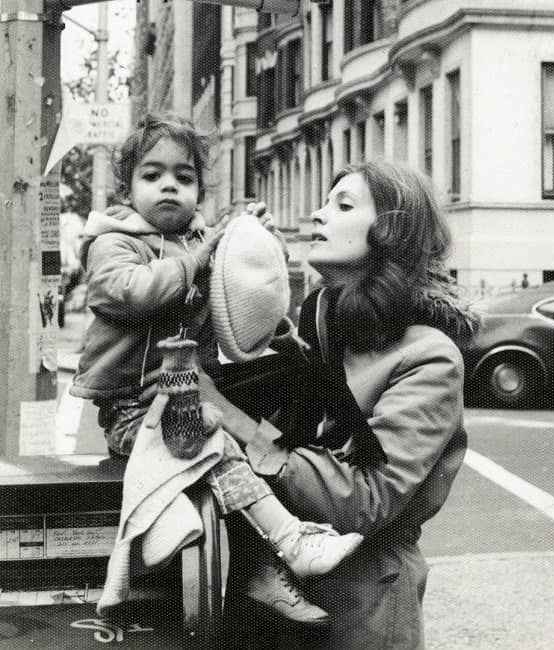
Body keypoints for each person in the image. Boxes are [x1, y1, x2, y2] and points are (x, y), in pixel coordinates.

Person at [69, 114, 362, 626]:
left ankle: (260, 563)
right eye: (152, 175)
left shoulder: (202, 240)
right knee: (217, 444)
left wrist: (257, 246)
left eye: (183, 177)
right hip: (135, 406)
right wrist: (199, 259)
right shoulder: (113, 241)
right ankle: (289, 542)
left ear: (199, 192)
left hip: (193, 391)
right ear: (126, 190)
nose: (169, 186)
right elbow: (131, 292)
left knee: (290, 389)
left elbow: (244, 309)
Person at [219, 161, 475, 649]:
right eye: (324, 203)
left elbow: (366, 500)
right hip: (270, 596)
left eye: (343, 205)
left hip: (359, 603)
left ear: (390, 231)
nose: (318, 214)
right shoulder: (325, 324)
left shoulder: (428, 356)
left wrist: (232, 420)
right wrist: (250, 256)